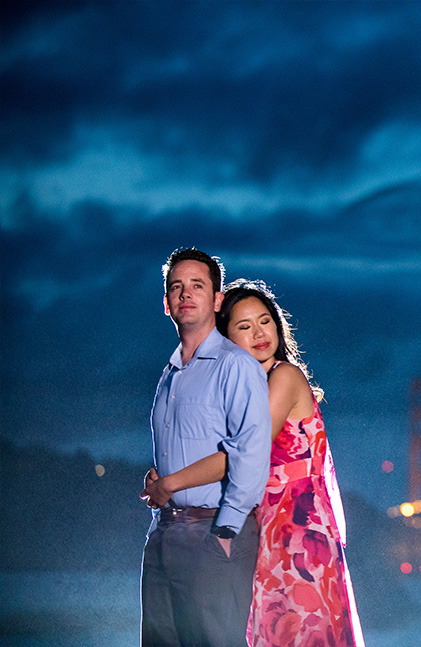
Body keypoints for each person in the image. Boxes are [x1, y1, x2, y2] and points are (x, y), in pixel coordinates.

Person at [143, 279, 364, 647]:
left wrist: (170, 483)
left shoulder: (285, 377)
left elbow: (244, 453)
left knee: (303, 631)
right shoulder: (246, 388)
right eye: (244, 327)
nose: (259, 333)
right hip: (265, 529)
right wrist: (166, 473)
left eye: (265, 321)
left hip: (298, 529)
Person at [140, 249, 272, 647]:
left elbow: (249, 451)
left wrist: (226, 530)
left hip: (212, 530)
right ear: (166, 304)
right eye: (176, 287)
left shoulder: (236, 366)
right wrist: (157, 479)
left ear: (216, 300)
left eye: (198, 285)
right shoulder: (169, 375)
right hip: (164, 531)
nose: (186, 293)